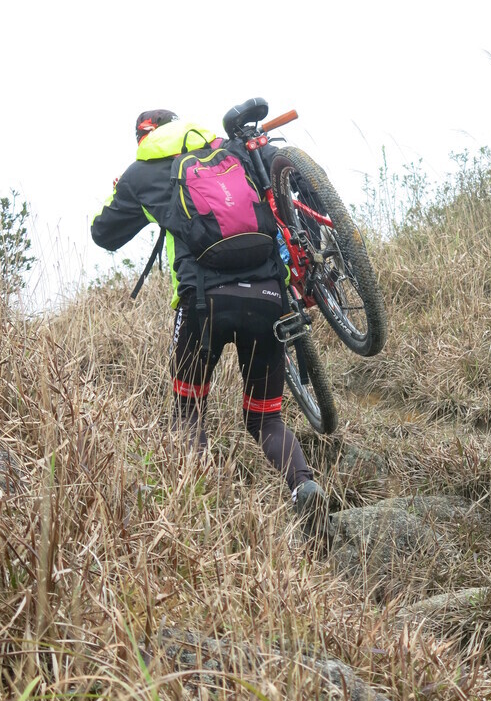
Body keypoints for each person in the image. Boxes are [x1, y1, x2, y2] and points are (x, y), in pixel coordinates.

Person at [91, 109, 327, 529]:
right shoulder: (227, 149)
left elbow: (104, 235)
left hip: (203, 307)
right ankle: (303, 485)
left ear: (144, 136)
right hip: (269, 298)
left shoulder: (140, 173)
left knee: (189, 412)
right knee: (265, 419)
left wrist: (123, 195)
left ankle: (200, 515)